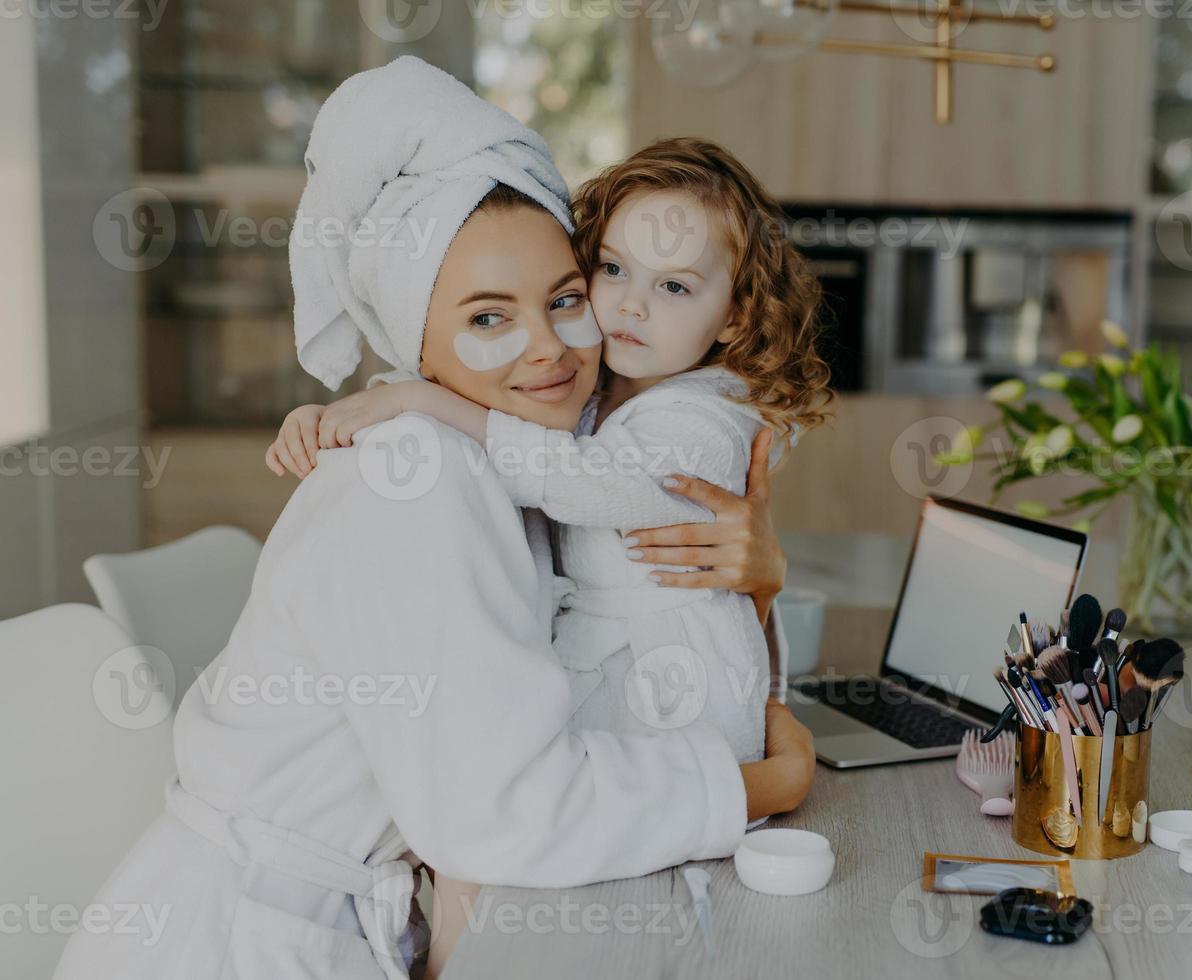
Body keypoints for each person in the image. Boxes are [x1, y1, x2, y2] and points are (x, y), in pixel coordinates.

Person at [53, 57, 814, 980]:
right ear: (414, 347)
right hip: (236, 947)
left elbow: (616, 511)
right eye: (487, 318)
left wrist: (757, 573)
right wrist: (755, 788)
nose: (549, 349)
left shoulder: (528, 440)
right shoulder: (417, 482)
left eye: (566, 300)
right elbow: (500, 811)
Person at [264, 137, 834, 976]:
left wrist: (408, 397)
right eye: (611, 272)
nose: (624, 311)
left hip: (659, 709)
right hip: (317, 907)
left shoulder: (699, 414)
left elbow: (587, 484)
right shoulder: (434, 466)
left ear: (737, 315)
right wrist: (369, 405)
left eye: (673, 286)